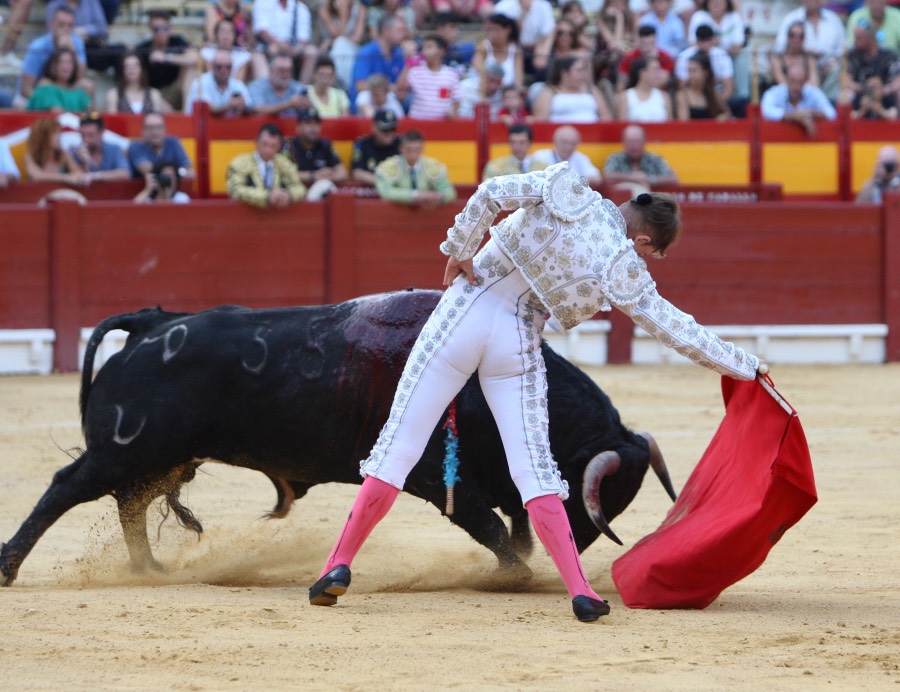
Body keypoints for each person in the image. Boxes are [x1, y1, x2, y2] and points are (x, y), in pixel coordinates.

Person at [307, 164, 764, 623]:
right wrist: (745, 367)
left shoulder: (565, 185)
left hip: (466, 309)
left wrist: (460, 249)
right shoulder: (621, 265)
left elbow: (489, 193)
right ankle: (580, 591)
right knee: (534, 468)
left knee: (400, 446)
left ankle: (337, 566)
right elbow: (676, 329)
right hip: (517, 338)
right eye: (651, 254)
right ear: (644, 241)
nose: (645, 259)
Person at [773, 0, 846, 102]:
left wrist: (832, 62)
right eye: (793, 35)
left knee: (838, 70)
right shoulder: (791, 18)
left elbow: (843, 50)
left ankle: (829, 104)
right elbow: (779, 49)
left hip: (828, 69)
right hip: (799, 65)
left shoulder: (834, 19)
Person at [227, 123, 307, 208]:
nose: (268, 150)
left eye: (273, 146)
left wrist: (288, 195)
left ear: (279, 146)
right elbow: (235, 190)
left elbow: (300, 188)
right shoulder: (240, 164)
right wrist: (267, 197)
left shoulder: (284, 164)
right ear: (256, 142)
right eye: (264, 144)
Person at [20, 5, 88, 101]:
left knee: (88, 86)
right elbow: (26, 88)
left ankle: (88, 116)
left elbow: (81, 77)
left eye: (70, 25)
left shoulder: (77, 43)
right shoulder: (37, 46)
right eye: (61, 25)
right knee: (45, 85)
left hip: (66, 91)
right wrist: (44, 101)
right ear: (51, 24)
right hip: (41, 94)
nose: (66, 29)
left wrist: (72, 51)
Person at [134, 11, 199, 111]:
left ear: (170, 28)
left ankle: (187, 112)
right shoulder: (143, 48)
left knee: (190, 68)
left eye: (165, 28)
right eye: (156, 29)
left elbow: (195, 58)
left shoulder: (177, 41)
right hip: (153, 94)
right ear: (150, 29)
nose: (161, 32)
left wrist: (166, 57)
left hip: (176, 91)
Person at [374, 129, 456, 206]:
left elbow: (449, 192)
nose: (413, 154)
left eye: (417, 149)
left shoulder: (433, 166)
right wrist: (415, 195)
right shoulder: (389, 167)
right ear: (401, 148)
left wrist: (438, 197)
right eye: (408, 149)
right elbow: (385, 192)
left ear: (422, 149)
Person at [44, 0, 125, 78]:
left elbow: (102, 27)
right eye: (63, 24)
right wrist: (74, 37)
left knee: (120, 50)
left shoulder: (91, 1)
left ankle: (123, 88)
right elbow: (53, 32)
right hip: (61, 49)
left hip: (90, 47)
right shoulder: (54, 5)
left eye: (69, 24)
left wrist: (83, 31)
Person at [252, 0, 319, 84]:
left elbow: (303, 37)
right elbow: (261, 30)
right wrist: (280, 44)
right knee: (272, 50)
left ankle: (302, 89)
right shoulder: (262, 2)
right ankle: (268, 88)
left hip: (293, 48)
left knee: (312, 52)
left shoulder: (301, 8)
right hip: (269, 45)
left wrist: (294, 49)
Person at [531, 55, 613, 123]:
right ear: (564, 74)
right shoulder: (549, 92)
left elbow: (606, 116)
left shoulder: (592, 90)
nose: (583, 74)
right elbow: (540, 120)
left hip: (592, 137)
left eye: (584, 71)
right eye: (579, 71)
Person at [762, 63, 837, 136]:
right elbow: (766, 111)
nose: (796, 86)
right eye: (793, 81)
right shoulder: (774, 93)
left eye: (800, 82)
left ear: (805, 81)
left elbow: (832, 114)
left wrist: (812, 112)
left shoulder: (813, 92)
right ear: (786, 79)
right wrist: (795, 117)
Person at [398, 33, 461, 119]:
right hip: (417, 122)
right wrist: (408, 63)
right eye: (424, 47)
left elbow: (457, 99)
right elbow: (400, 89)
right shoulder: (416, 71)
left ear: (441, 51)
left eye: (429, 47)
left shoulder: (451, 74)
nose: (424, 51)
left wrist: (453, 111)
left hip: (441, 125)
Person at [282, 107, 348, 189]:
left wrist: (325, 178)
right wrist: (313, 176)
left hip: (320, 193)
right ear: (298, 128)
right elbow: (282, 174)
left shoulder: (325, 145)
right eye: (308, 123)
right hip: (294, 194)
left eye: (316, 123)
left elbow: (343, 173)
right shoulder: (289, 145)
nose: (313, 128)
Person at [350, 14, 409, 105]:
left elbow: (401, 86)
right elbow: (360, 85)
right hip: (368, 105)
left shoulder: (399, 53)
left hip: (390, 101)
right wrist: (389, 88)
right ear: (386, 32)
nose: (404, 35)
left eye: (404, 31)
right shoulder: (367, 52)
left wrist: (409, 60)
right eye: (399, 30)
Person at [675, 25, 736, 110]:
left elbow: (729, 87)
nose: (705, 44)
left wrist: (717, 103)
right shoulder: (684, 57)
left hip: (717, 97)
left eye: (708, 40)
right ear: (696, 41)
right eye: (702, 41)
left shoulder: (723, 56)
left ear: (713, 40)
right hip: (693, 99)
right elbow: (682, 86)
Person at [603, 123, 679, 192]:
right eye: (630, 141)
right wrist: (631, 177)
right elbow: (607, 176)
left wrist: (649, 179)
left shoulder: (654, 158)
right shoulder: (615, 158)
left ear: (644, 142)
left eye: (637, 141)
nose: (633, 145)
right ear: (624, 142)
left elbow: (673, 178)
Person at [492, 0, 556, 82]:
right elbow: (500, 35)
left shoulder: (544, 6)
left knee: (544, 65)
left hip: (535, 49)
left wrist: (542, 53)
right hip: (510, 49)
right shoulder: (502, 6)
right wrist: (523, 13)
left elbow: (549, 33)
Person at [840, 22, 900, 107]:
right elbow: (845, 80)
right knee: (846, 94)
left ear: (871, 39)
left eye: (859, 38)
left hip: (886, 94)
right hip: (859, 94)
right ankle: (846, 120)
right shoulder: (851, 55)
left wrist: (884, 90)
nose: (855, 41)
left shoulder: (889, 56)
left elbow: (898, 80)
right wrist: (864, 89)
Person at [184, 48, 254, 116]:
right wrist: (229, 106)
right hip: (199, 126)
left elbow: (250, 107)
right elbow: (206, 108)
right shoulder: (200, 82)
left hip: (227, 127)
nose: (223, 70)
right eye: (219, 67)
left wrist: (243, 107)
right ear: (213, 66)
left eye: (228, 67)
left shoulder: (238, 85)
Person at [317, 0, 368, 90]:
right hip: (330, 50)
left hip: (353, 48)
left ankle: (345, 86)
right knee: (340, 44)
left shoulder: (360, 9)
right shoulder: (324, 10)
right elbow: (334, 32)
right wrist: (343, 15)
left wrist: (333, 40)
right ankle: (343, 85)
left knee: (340, 43)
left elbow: (357, 38)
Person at [128, 111, 194, 178]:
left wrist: (178, 171)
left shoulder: (173, 142)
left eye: (159, 127)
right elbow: (147, 170)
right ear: (143, 131)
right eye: (150, 128)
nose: (155, 132)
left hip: (173, 188)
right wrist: (178, 172)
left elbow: (188, 168)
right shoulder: (136, 146)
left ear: (165, 129)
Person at [532, 124, 602, 186]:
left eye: (572, 143)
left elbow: (597, 179)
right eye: (564, 142)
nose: (568, 147)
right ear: (555, 141)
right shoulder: (541, 156)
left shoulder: (581, 158)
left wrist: (573, 181)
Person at [105, 50, 173, 113]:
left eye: (135, 65)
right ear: (122, 70)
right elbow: (112, 122)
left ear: (142, 69)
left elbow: (157, 120)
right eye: (127, 66)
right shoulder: (114, 94)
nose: (131, 69)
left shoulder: (153, 94)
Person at [26, 46, 91, 112]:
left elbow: (90, 115)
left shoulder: (80, 93)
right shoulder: (46, 88)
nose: (66, 66)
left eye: (69, 62)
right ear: (53, 66)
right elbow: (57, 114)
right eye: (61, 62)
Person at [24, 116, 86, 185]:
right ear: (43, 137)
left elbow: (78, 173)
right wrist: (67, 178)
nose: (59, 137)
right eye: (55, 134)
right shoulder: (30, 156)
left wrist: (85, 162)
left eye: (59, 133)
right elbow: (37, 175)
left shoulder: (64, 154)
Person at [69, 112, 130, 182]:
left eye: (90, 135)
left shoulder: (114, 149)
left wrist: (95, 176)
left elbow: (125, 174)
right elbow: (78, 179)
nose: (86, 139)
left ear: (102, 132)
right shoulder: (74, 152)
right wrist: (86, 162)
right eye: (83, 135)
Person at [247, 52, 312, 118]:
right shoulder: (257, 86)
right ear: (271, 72)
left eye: (288, 70)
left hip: (291, 127)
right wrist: (288, 104)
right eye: (281, 71)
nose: (285, 74)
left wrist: (308, 106)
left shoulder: (298, 87)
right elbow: (257, 109)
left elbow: (307, 113)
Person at [471, 13, 523, 89]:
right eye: (489, 30)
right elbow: (477, 65)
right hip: (484, 89)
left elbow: (518, 77)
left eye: (496, 30)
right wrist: (494, 82)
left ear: (508, 30)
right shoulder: (484, 46)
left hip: (505, 93)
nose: (492, 34)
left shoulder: (516, 50)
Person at [350, 108, 401, 185]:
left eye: (392, 129)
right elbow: (357, 173)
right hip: (370, 191)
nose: (389, 133)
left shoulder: (401, 144)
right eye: (385, 129)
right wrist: (384, 183)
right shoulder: (363, 144)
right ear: (374, 127)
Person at [617, 25, 675, 93]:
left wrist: (653, 60)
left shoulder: (665, 57)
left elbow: (662, 82)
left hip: (658, 94)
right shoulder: (629, 58)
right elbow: (621, 84)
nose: (648, 48)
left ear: (656, 40)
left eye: (651, 43)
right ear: (639, 41)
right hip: (634, 94)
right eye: (644, 44)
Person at [615, 55, 672, 121]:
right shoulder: (625, 97)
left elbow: (670, 126)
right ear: (643, 73)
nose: (659, 74)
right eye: (655, 69)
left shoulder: (664, 97)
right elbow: (621, 126)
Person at [675, 51, 730, 119]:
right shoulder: (683, 95)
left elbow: (727, 113)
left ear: (705, 72)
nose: (690, 76)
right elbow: (683, 124)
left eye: (694, 71)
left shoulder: (713, 94)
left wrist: (721, 118)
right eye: (689, 71)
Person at [482, 123, 547, 179]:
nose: (517, 146)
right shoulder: (495, 166)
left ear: (530, 144)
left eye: (522, 142)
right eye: (513, 142)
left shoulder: (543, 169)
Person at [769, 21, 821, 89]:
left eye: (800, 36)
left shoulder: (809, 59)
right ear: (787, 36)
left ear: (804, 38)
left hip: (804, 97)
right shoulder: (777, 59)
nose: (796, 39)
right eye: (792, 35)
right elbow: (781, 82)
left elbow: (815, 83)